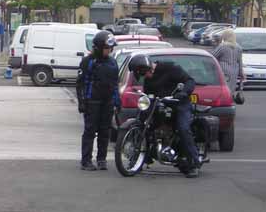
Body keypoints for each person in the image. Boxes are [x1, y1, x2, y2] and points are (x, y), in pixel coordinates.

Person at [128, 54, 200, 178]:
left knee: (183, 128)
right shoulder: (148, 79)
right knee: (142, 121)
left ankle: (193, 162)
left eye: (144, 74)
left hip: (180, 104)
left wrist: (183, 93)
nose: (145, 77)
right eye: (142, 75)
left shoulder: (170, 68)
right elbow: (148, 94)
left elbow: (190, 81)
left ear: (148, 67)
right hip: (160, 104)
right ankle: (140, 157)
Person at [76, 31, 120, 171]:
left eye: (110, 48)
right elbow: (80, 83)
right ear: (99, 47)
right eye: (107, 48)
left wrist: (117, 101)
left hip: (107, 102)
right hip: (92, 101)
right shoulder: (88, 61)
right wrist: (82, 102)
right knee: (90, 131)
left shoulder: (113, 62)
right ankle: (86, 160)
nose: (109, 51)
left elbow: (115, 84)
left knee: (104, 131)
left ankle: (102, 159)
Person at [212, 29, 244, 97]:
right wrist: (241, 74)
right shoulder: (239, 48)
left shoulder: (222, 46)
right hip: (234, 71)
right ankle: (230, 100)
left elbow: (213, 56)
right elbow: (240, 62)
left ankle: (224, 101)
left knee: (223, 88)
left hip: (223, 71)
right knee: (231, 88)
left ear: (225, 36)